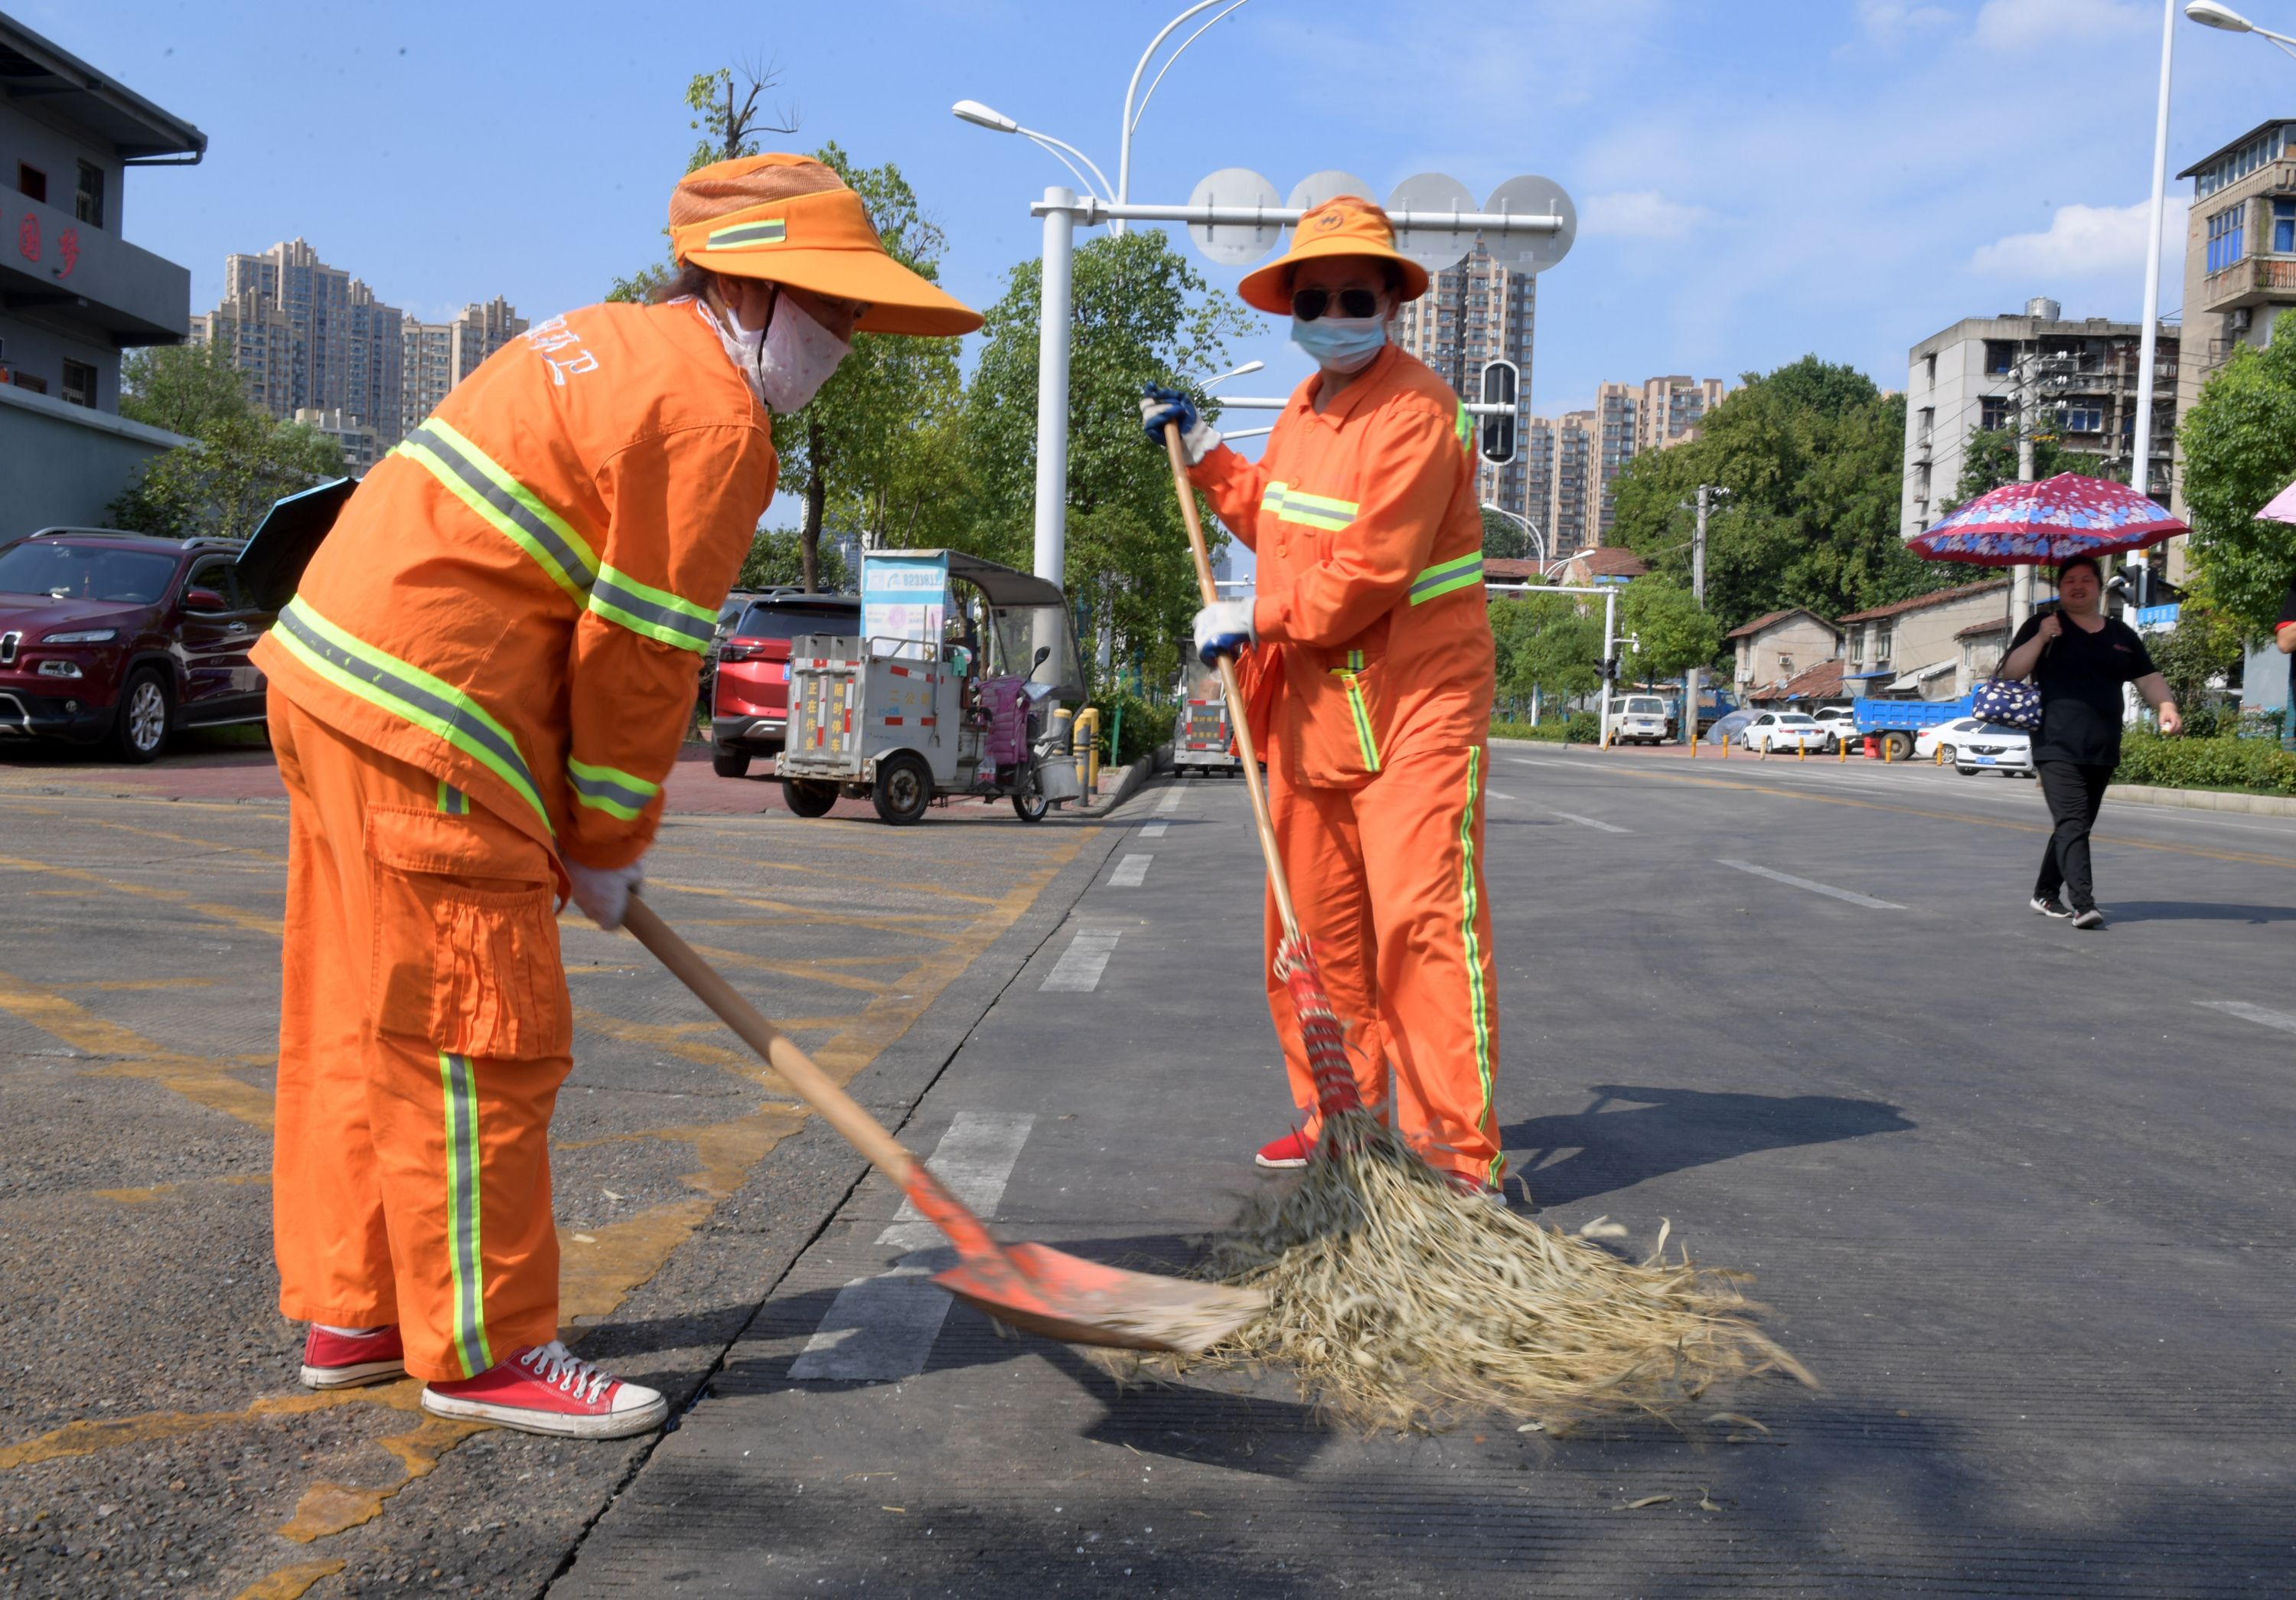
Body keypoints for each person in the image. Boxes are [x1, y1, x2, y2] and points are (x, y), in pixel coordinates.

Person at [252, 154, 979, 1438]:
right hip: (433, 718)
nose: (851, 340)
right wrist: (602, 840)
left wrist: (579, 832)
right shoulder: (711, 417)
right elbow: (637, 661)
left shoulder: (615, 343)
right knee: (487, 1037)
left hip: (331, 679)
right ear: (751, 288)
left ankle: (364, 1309)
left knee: (377, 1014)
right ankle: (482, 1349)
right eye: (838, 309)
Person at [1139, 195, 1503, 1197]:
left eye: (1356, 296)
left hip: (1415, 704)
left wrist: (1254, 618)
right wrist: (1206, 453)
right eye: (1317, 297)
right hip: (1311, 707)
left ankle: (1451, 1154)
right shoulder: (1303, 408)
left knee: (1422, 927)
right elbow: (1283, 524)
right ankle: (1337, 1117)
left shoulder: (1420, 412)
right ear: (1295, 306)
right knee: (1316, 929)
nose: (1335, 311)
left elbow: (1368, 572)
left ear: (1390, 300)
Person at [1998, 554, 2181, 930]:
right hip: (2055, 743)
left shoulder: (2120, 635)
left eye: (2086, 580)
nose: (2077, 586)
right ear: (2060, 587)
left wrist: (2166, 704)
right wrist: (2042, 636)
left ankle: (2046, 892)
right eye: (2069, 581)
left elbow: (2147, 676)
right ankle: (2083, 904)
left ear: (2099, 587)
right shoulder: (2043, 624)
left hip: (2102, 745)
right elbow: (2011, 672)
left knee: (2075, 825)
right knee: (2072, 821)